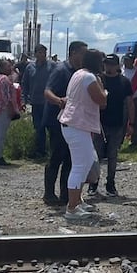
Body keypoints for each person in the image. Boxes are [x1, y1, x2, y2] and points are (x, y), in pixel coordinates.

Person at [58, 49, 107, 219]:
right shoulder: (90, 78)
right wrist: (103, 87)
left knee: (83, 165)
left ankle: (77, 202)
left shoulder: (78, 74)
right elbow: (102, 101)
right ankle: (72, 208)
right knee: (80, 166)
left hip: (74, 124)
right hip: (77, 124)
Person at [41, 41, 86, 206]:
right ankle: (49, 193)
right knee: (56, 157)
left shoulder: (79, 72)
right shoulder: (61, 70)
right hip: (56, 121)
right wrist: (60, 101)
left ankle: (66, 194)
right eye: (82, 53)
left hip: (72, 122)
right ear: (73, 53)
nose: (84, 57)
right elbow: (47, 91)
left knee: (70, 159)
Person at [94, 53, 134, 196]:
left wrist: (132, 123)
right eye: (106, 63)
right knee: (96, 155)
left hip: (117, 123)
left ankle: (110, 183)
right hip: (99, 123)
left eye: (111, 64)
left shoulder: (124, 82)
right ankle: (94, 183)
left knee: (112, 155)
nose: (108, 66)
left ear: (117, 66)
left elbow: (130, 103)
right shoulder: (98, 80)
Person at [21, 44, 55, 159]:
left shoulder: (52, 66)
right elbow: (24, 84)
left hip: (49, 103)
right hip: (36, 102)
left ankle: (53, 151)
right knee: (39, 128)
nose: (42, 55)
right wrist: (23, 99)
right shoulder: (30, 67)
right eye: (39, 52)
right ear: (35, 54)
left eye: (44, 52)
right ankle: (40, 151)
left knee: (51, 128)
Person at [0, 58, 20, 166]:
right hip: (3, 110)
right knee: (0, 135)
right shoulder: (5, 80)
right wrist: (12, 110)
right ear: (2, 68)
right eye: (7, 66)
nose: (10, 68)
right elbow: (7, 97)